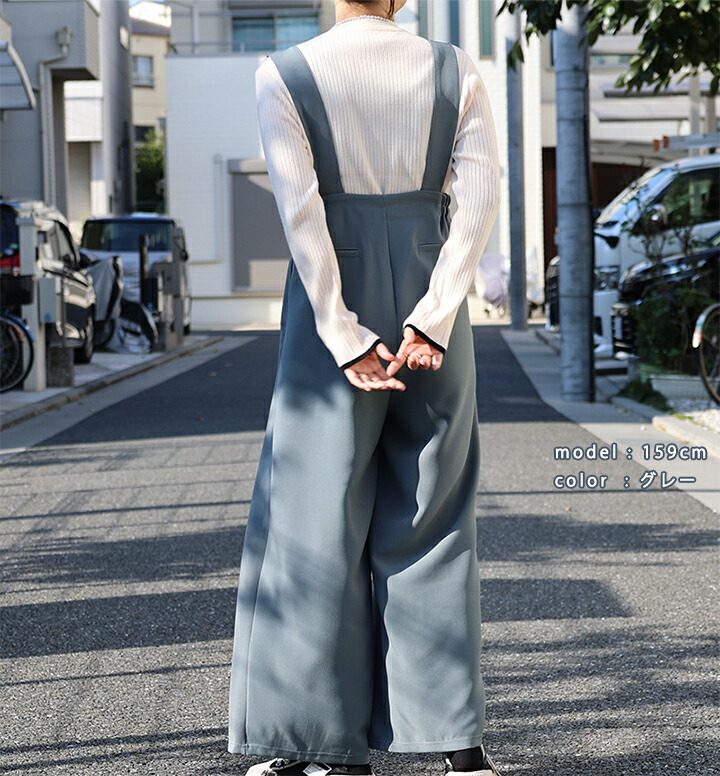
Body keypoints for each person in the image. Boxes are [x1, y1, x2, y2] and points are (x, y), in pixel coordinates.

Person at [228, 1, 501, 774]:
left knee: (313, 517)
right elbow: (478, 200)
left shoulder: (284, 73)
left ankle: (325, 746)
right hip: (427, 288)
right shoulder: (455, 71)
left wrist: (342, 330)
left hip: (333, 304)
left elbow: (300, 210)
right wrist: (435, 317)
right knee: (433, 514)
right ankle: (457, 745)